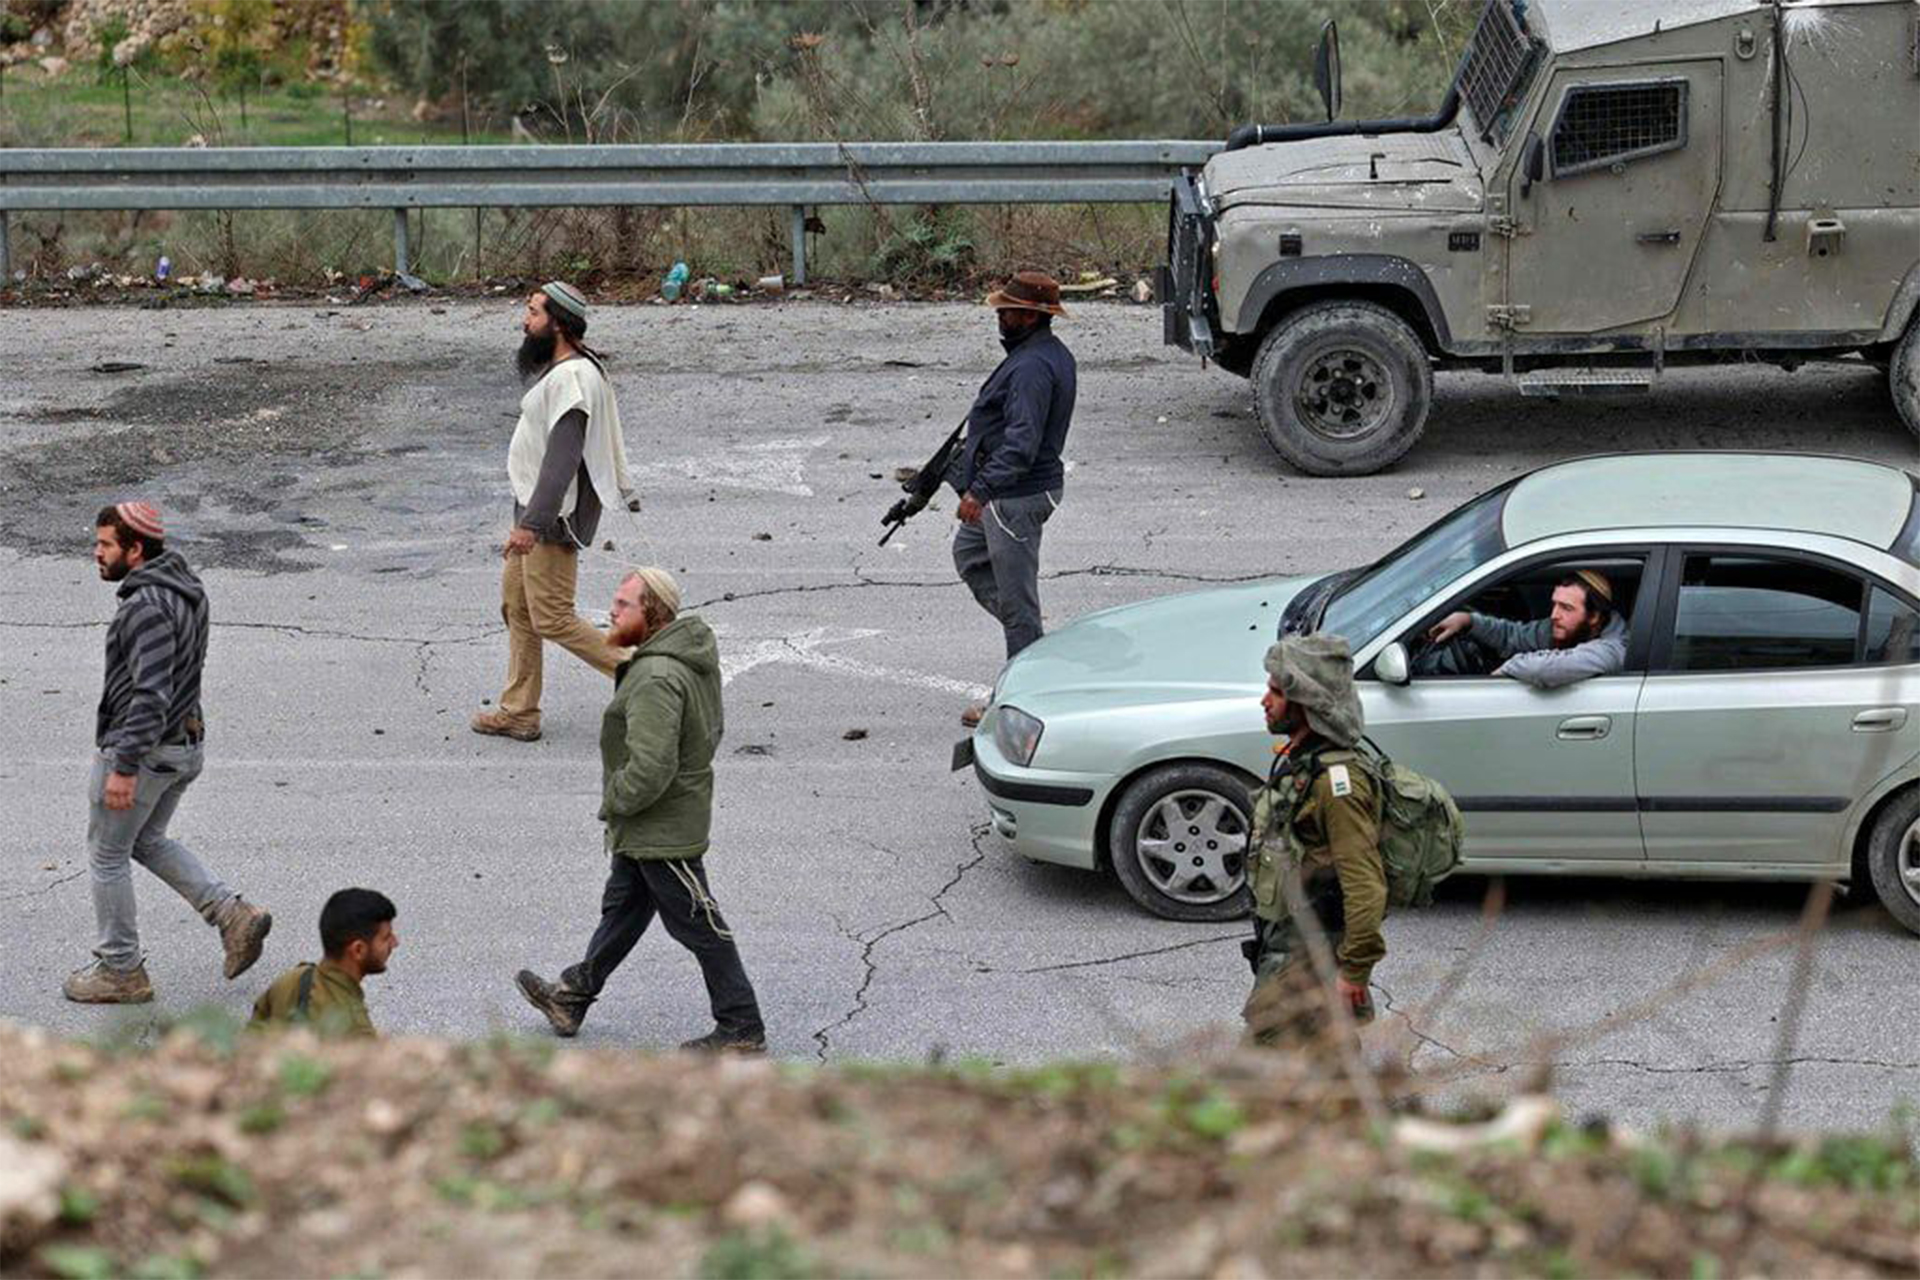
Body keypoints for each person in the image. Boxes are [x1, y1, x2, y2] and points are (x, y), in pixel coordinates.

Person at [514, 567, 766, 1053]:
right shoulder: (682, 656)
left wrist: (615, 802)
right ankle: (572, 995)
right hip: (659, 819)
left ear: (653, 614)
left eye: (624, 604)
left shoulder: (656, 677)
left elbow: (651, 767)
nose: (611, 610)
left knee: (700, 925)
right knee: (624, 910)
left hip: (662, 825)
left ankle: (741, 1025)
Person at [64, 503, 272, 1005]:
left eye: (106, 545)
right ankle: (231, 914)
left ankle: (121, 970)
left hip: (147, 749)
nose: (96, 553)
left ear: (135, 550)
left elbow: (150, 693)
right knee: (148, 839)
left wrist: (124, 766)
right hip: (184, 744)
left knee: (108, 855)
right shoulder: (186, 588)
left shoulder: (146, 608)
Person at [472, 281, 638, 743]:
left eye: (533, 313)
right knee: (519, 608)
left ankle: (651, 680)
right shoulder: (567, 370)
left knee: (552, 617)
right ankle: (520, 710)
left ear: (559, 324)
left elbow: (561, 462)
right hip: (533, 514)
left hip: (549, 519)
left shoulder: (573, 381)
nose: (525, 322)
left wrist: (531, 525)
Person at [1241, 634, 1387, 1043]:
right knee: (1329, 1057)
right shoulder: (1305, 762)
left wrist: (1354, 971)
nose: (1264, 701)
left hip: (1312, 951)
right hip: (1291, 938)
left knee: (1263, 1057)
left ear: (1307, 702)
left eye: (1276, 692)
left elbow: (1366, 886)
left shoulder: (1338, 786)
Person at [950, 270, 1077, 726]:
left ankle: (1022, 698)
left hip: (1014, 498)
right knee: (969, 555)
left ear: (1030, 315)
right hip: (1010, 493)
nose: (999, 316)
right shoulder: (1039, 354)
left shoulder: (1031, 368)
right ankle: (1035, 646)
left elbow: (1022, 443)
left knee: (1018, 602)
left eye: (1007, 310)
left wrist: (980, 491)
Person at [1416, 570, 1627, 688]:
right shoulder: (1568, 627)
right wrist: (1468, 621)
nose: (1554, 615)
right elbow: (1514, 637)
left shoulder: (1614, 648)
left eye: (1566, 608)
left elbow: (1545, 669)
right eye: (1554, 604)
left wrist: (1507, 669)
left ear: (1594, 616)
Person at [250, 888, 398, 1039]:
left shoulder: (291, 980)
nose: (395, 943)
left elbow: (249, 1039)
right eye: (386, 938)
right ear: (358, 950)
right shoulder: (357, 1032)